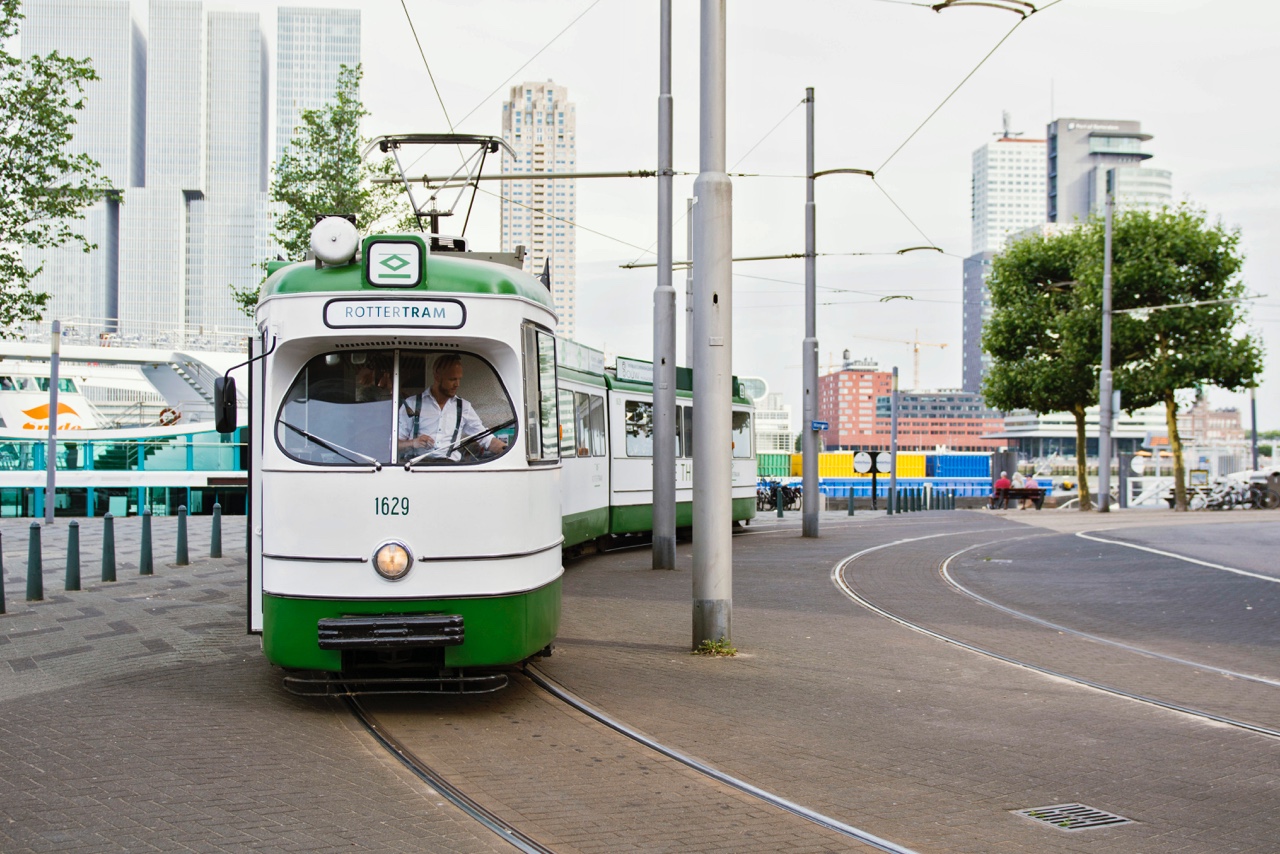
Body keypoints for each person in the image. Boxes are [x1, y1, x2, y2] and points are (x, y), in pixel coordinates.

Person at [398, 354, 506, 461]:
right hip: (416, 470)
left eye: (459, 379)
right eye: (452, 379)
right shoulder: (412, 404)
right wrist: (413, 443)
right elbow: (394, 446)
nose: (457, 384)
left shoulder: (464, 407)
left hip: (451, 470)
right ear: (437, 377)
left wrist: (507, 450)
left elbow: (484, 437)